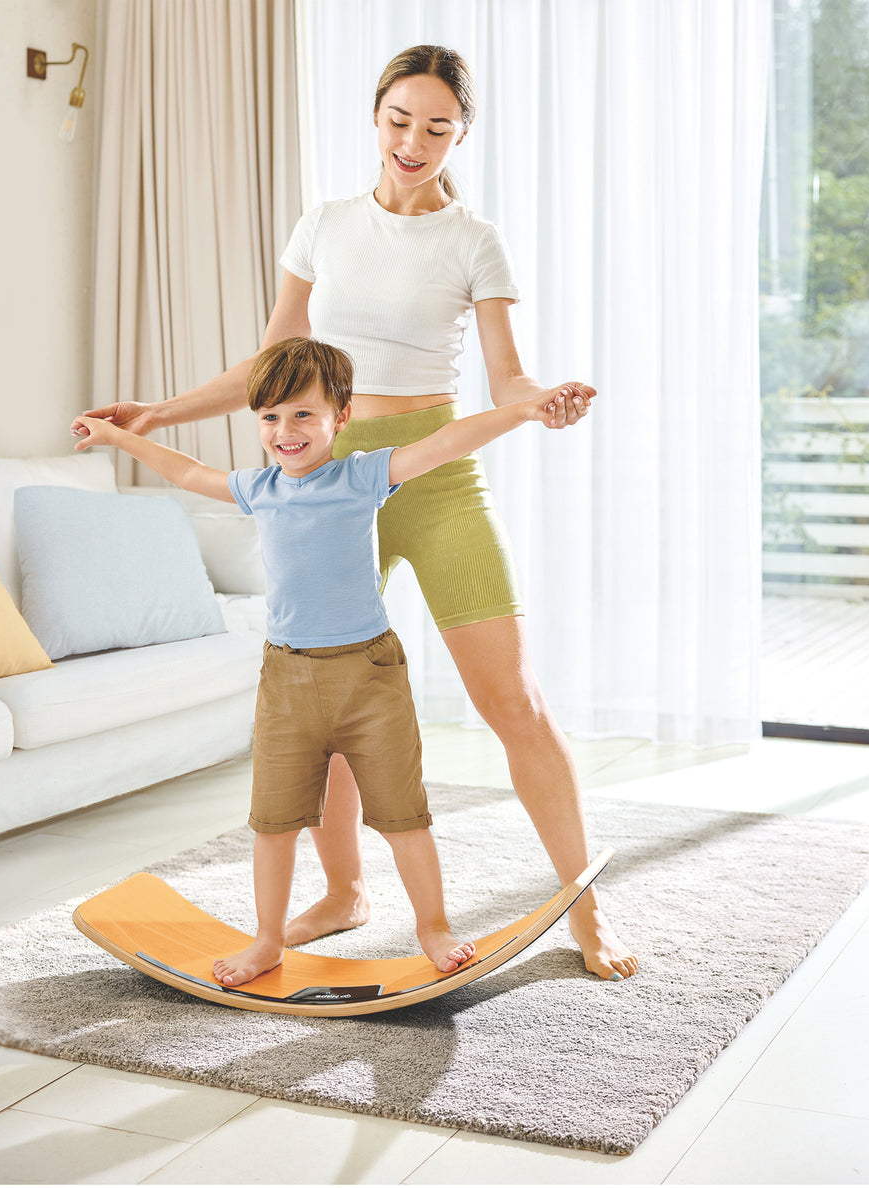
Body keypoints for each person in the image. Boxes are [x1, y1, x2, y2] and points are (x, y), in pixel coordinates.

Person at [74, 45, 638, 982]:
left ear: (461, 134)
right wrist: (158, 413)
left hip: (434, 478)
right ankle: (342, 893)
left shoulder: (473, 240)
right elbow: (272, 369)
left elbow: (507, 375)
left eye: (436, 127)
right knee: (328, 695)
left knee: (516, 702)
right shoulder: (326, 225)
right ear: (375, 118)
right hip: (329, 484)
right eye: (398, 120)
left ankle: (585, 907)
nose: (413, 141)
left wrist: (540, 403)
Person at [73, 336, 576, 987]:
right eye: (271, 418)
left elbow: (446, 444)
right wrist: (120, 439)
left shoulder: (362, 475)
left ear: (341, 418)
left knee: (402, 815)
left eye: (303, 415)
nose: (286, 431)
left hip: (368, 675)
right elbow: (185, 472)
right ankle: (266, 941)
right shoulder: (259, 489)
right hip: (286, 679)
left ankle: (432, 925)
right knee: (274, 823)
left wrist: (525, 411)